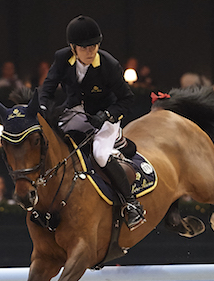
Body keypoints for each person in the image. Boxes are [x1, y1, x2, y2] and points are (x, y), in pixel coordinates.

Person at [40, 15, 141, 229]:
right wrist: (42, 110)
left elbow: (127, 98)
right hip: (76, 113)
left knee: (100, 155)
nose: (91, 51)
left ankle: (132, 204)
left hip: (104, 117)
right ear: (73, 47)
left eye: (94, 46)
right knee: (52, 146)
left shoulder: (109, 65)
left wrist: (107, 115)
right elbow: (47, 89)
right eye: (85, 47)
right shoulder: (61, 58)